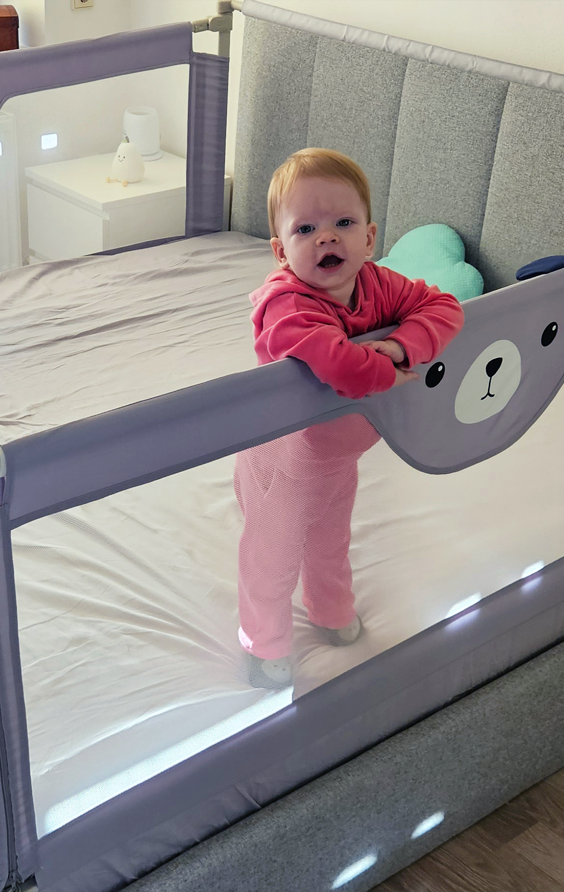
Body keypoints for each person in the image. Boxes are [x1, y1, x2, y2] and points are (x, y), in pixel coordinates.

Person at [236, 148, 464, 689]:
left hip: (340, 450)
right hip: (282, 458)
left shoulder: (378, 284)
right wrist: (383, 367)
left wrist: (405, 345)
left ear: (369, 237)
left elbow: (447, 309)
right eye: (306, 227)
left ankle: (330, 610)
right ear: (281, 251)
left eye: (344, 223)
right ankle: (263, 642)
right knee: (272, 555)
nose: (327, 238)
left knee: (331, 539)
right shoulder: (285, 305)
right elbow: (339, 364)